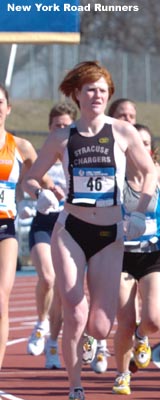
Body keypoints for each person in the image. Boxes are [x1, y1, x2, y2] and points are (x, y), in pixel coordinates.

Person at [23, 60, 157, 400]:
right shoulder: (62, 137)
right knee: (74, 308)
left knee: (99, 326)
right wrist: (42, 193)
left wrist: (141, 211)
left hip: (110, 233)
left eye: (102, 89)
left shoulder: (123, 133)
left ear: (107, 94)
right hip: (71, 230)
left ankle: (88, 341)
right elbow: (31, 178)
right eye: (90, 89)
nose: (96, 95)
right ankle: (76, 389)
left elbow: (150, 174)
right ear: (77, 95)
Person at [112, 123, 160, 395]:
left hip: (152, 255)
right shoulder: (117, 180)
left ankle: (142, 338)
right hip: (121, 256)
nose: (142, 148)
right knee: (125, 321)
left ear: (152, 149)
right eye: (136, 143)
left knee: (153, 320)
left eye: (147, 143)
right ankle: (121, 373)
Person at [25, 102, 77, 370]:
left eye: (66, 126)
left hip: (69, 227)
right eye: (57, 126)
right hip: (43, 225)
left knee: (61, 290)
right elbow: (26, 182)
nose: (61, 130)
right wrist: (33, 197)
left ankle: (52, 344)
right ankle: (40, 323)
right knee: (47, 277)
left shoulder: (78, 158)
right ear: (49, 129)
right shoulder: (42, 157)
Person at [0, 84, 38, 400]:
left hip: (5, 227)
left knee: (1, 299)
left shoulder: (20, 146)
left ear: (8, 108)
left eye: (0, 102)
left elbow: (36, 175)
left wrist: (37, 192)